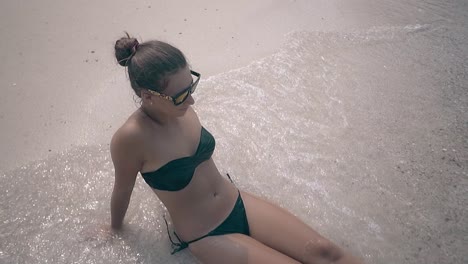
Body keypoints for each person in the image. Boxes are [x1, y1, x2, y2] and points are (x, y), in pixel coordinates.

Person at [110, 33, 362, 264]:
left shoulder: (180, 108)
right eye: (180, 95)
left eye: (191, 86)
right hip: (206, 235)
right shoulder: (131, 138)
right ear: (147, 96)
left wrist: (179, 100)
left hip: (237, 202)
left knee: (324, 251)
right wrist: (114, 230)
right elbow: (122, 190)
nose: (192, 99)